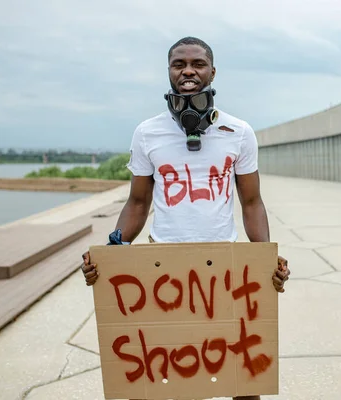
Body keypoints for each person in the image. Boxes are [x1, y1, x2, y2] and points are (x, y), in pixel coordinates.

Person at [80, 36, 290, 400]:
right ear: (169, 72)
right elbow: (137, 202)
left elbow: (252, 202)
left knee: (244, 378)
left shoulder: (239, 132)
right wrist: (112, 251)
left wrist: (265, 257)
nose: (188, 71)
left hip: (225, 266)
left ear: (212, 71)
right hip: (163, 271)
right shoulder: (147, 132)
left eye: (197, 63)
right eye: (179, 64)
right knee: (159, 380)